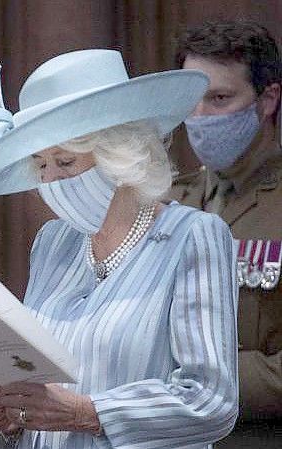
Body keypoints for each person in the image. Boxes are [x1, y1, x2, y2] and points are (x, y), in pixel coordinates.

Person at [0, 49, 238, 448]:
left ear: (119, 157)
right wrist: (11, 416)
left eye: (66, 163)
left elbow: (211, 401)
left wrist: (88, 413)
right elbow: (43, 390)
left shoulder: (193, 237)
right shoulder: (53, 243)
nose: (51, 180)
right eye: (41, 165)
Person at [169, 20, 282, 446]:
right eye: (191, 100)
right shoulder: (167, 201)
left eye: (219, 99)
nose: (199, 118)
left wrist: (196, 378)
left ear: (267, 99)